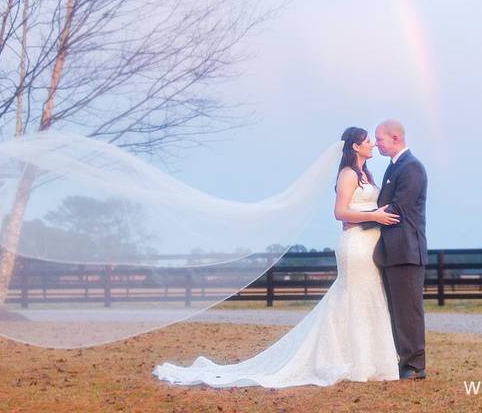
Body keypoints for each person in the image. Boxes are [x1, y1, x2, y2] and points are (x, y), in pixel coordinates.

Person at [152, 126, 402, 388]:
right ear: (355, 146)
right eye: (367, 141)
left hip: (369, 242)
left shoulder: (366, 174)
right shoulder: (348, 174)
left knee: (368, 295)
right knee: (353, 295)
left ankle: (369, 360)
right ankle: (352, 360)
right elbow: (340, 212)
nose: (372, 144)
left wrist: (375, 215)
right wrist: (373, 215)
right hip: (354, 246)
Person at [365, 119, 428, 380]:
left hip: (406, 250)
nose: (376, 143)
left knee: (408, 309)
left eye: (379, 139)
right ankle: (402, 360)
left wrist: (358, 217)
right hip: (393, 251)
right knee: (395, 308)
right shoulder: (395, 167)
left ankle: (414, 365)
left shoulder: (411, 168)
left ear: (395, 138)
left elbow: (398, 210)